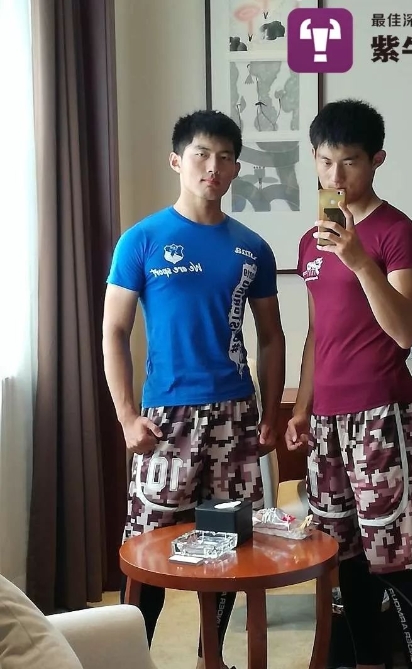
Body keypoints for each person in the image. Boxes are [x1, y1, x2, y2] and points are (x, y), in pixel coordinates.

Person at [103, 109, 285, 669]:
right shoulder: (142, 240)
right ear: (177, 161)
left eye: (226, 157)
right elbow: (114, 330)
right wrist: (127, 416)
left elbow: (272, 337)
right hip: (166, 418)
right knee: (148, 550)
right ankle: (135, 658)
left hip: (236, 414)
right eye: (202, 154)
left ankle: (212, 657)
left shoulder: (252, 247)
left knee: (230, 546)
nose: (214, 166)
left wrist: (270, 414)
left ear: (236, 169)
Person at [285, 99, 412, 669]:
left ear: (377, 161)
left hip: (381, 414)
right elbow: (316, 335)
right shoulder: (310, 242)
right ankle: (366, 660)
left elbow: (406, 330)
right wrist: (301, 408)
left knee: (394, 558)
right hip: (325, 419)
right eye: (325, 162)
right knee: (341, 553)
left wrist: (359, 260)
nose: (335, 176)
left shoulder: (398, 233)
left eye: (349, 162)